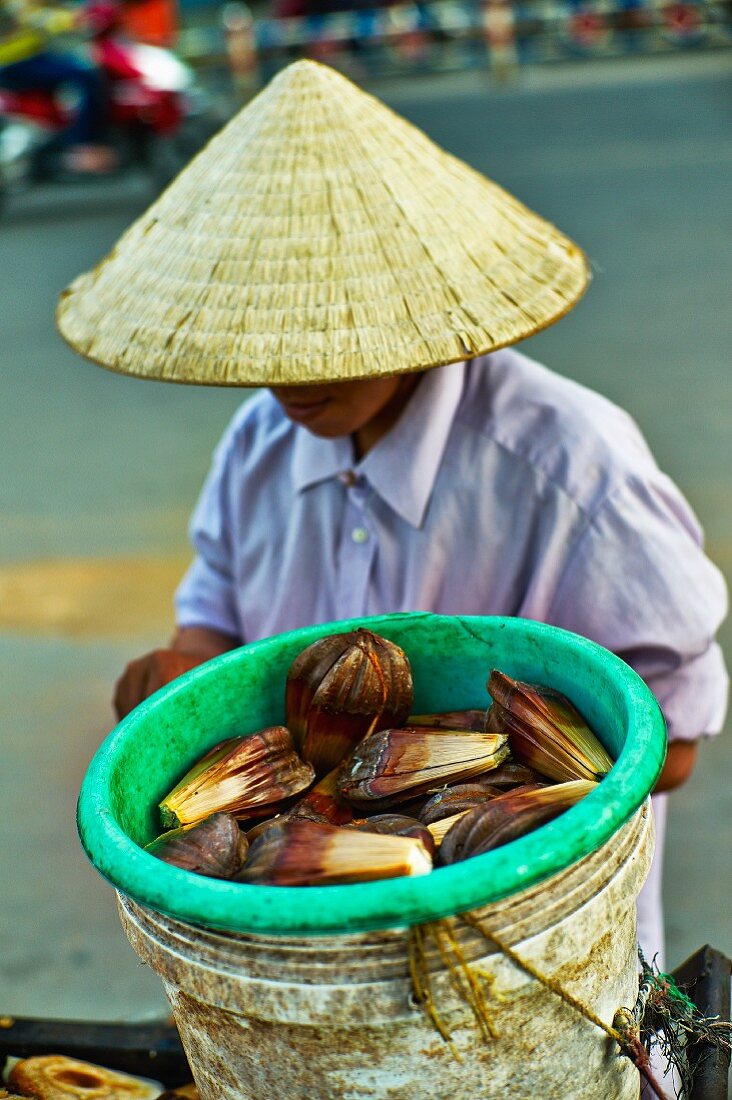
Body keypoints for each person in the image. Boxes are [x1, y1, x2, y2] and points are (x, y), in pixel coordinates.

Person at [57, 60, 728, 998]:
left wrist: (468, 809)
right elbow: (213, 609)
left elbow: (676, 742)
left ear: (407, 308)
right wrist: (186, 667)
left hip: (532, 961)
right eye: (261, 342)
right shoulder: (260, 440)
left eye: (320, 340)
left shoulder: (573, 465)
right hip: (305, 968)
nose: (288, 379)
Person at [0, 0, 116, 173]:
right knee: (85, 75)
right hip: (14, 62)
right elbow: (31, 16)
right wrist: (71, 20)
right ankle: (82, 145)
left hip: (30, 55)